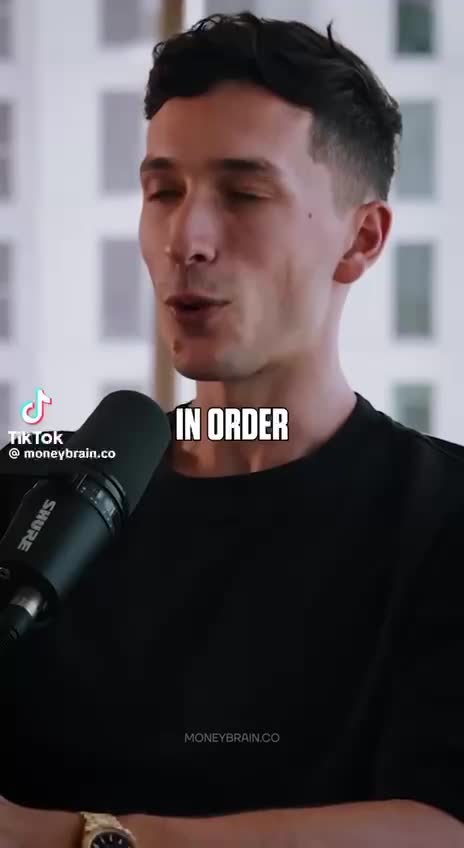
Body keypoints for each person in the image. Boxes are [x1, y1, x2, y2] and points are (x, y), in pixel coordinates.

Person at [0, 11, 463, 848]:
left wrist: (81, 838)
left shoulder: (444, 518)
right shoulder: (35, 496)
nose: (187, 239)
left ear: (361, 240)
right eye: (163, 192)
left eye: (244, 195)